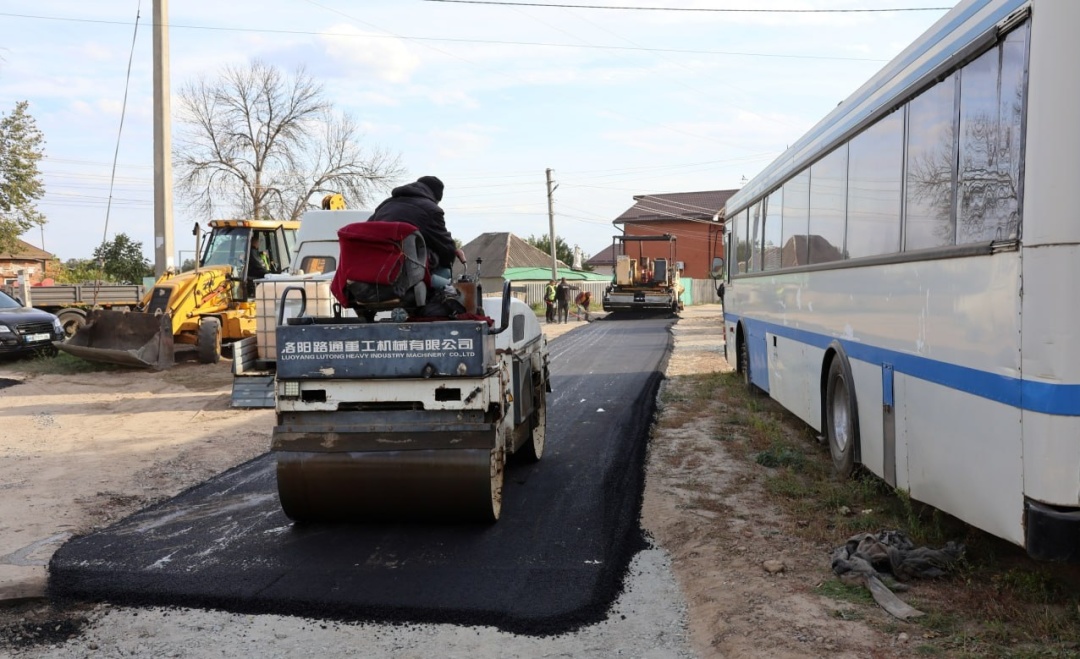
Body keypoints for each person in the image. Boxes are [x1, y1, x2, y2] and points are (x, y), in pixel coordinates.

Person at [368, 175, 465, 289]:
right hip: (409, 275)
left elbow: (367, 231)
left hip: (377, 270)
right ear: (435, 198)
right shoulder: (431, 210)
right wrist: (452, 252)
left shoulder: (384, 205)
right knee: (449, 278)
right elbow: (445, 249)